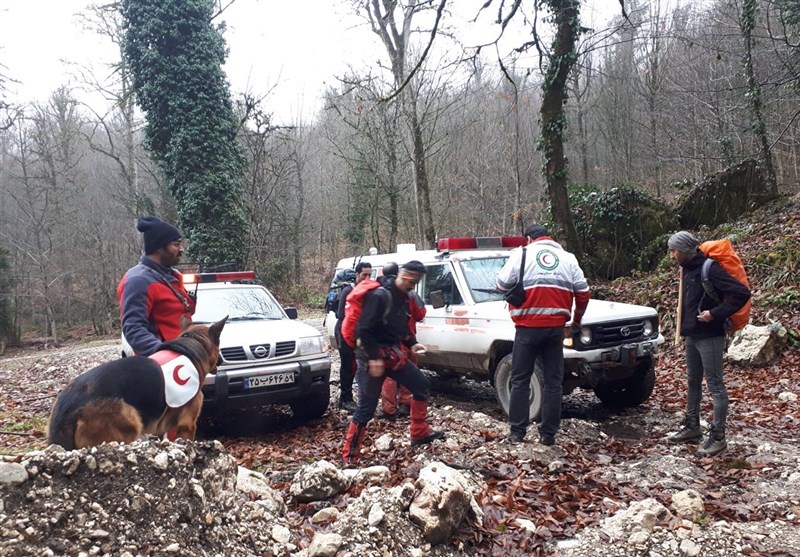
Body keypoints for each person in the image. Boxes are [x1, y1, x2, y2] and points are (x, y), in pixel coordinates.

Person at [496, 224, 590, 446]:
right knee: (553, 382)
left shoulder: (521, 254)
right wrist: (577, 320)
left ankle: (517, 432)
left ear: (529, 239)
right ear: (549, 237)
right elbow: (583, 293)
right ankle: (548, 434)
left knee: (520, 379)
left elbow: (501, 285)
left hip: (527, 328)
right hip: (555, 329)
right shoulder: (568, 258)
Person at [342, 260, 444, 464]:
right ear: (405, 276)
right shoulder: (380, 296)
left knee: (421, 385)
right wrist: (373, 358)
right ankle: (350, 457)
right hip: (370, 360)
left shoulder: (403, 297)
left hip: (392, 357)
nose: (413, 285)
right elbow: (363, 330)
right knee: (366, 409)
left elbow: (401, 326)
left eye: (416, 282)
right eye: (412, 281)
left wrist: (412, 343)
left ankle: (419, 432)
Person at [667, 231, 751, 457]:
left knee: (715, 385)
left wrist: (714, 314)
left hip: (710, 336)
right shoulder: (687, 268)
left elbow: (741, 293)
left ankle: (718, 437)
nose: (671, 256)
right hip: (692, 335)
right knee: (693, 381)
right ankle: (692, 426)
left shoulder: (709, 268)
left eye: (674, 251)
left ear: (685, 250)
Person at [117, 216, 196, 357]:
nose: (182, 249)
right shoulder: (138, 281)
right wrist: (164, 352)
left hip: (183, 360)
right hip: (161, 364)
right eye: (176, 244)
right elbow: (133, 329)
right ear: (159, 247)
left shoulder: (171, 275)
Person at [379, 261, 425, 419]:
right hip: (408, 337)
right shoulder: (410, 293)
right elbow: (420, 314)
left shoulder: (382, 290)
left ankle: (389, 409)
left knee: (389, 376)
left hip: (392, 342)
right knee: (409, 374)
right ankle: (406, 404)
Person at [335, 262, 372, 412]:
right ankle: (345, 399)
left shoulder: (366, 291)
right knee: (348, 365)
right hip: (344, 331)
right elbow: (340, 314)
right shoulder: (348, 290)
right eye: (364, 275)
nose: (367, 278)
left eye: (369, 275)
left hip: (357, 333)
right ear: (357, 274)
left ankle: (348, 398)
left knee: (356, 366)